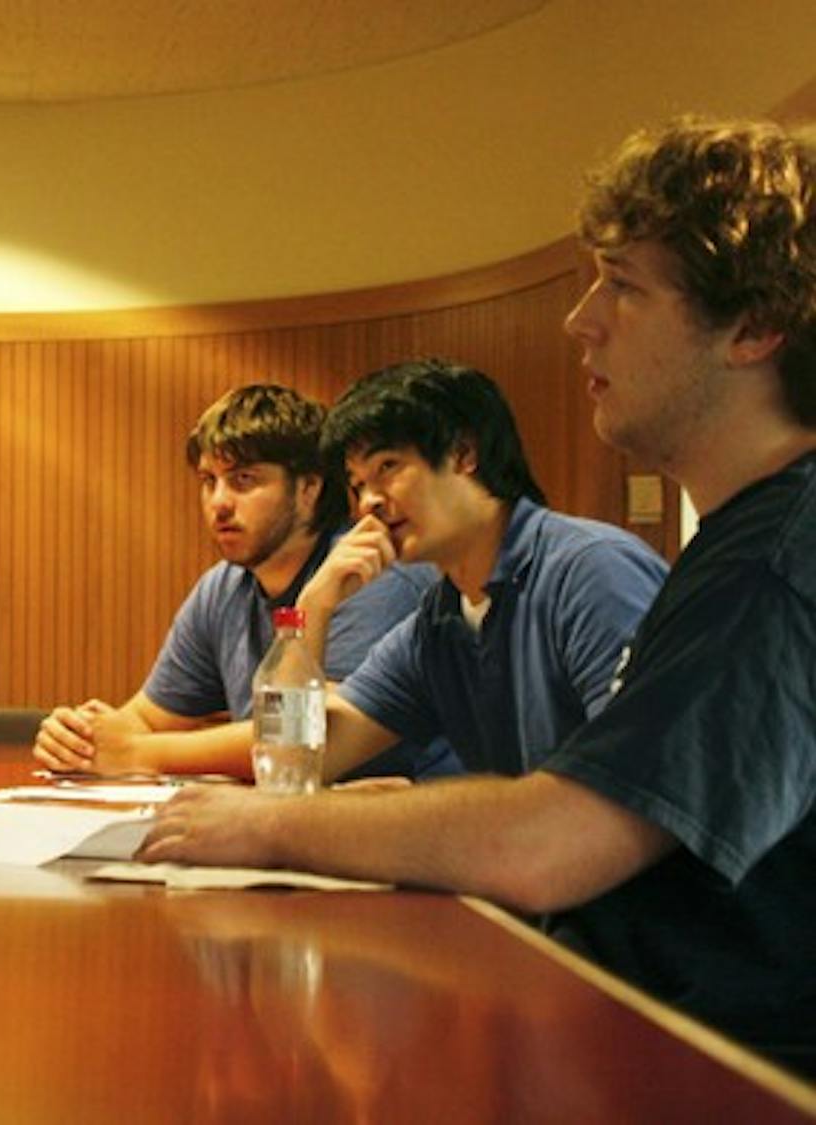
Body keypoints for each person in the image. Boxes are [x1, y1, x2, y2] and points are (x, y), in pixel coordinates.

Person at [140, 116, 816, 1077]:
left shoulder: (745, 561)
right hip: (609, 1017)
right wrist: (309, 616)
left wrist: (273, 823)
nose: (580, 319)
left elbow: (556, 838)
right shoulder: (447, 610)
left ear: (753, 327)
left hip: (720, 1067)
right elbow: (300, 753)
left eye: (624, 286)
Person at [33, 383, 458, 781]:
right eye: (208, 481)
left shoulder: (368, 572)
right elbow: (146, 718)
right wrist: (78, 739)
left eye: (243, 480)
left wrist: (138, 752)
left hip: (413, 818)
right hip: (305, 814)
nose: (218, 503)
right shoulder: (223, 587)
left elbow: (307, 738)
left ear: (309, 488)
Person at [291, 359, 666, 780]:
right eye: (358, 484)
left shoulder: (592, 572)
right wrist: (310, 610)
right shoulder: (438, 622)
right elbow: (298, 762)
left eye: (387, 467)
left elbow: (638, 782)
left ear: (464, 454)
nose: (368, 502)